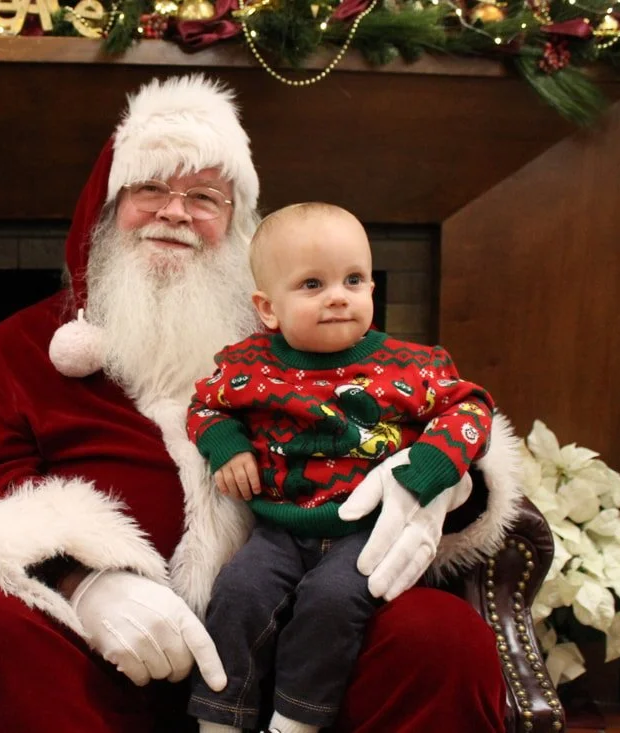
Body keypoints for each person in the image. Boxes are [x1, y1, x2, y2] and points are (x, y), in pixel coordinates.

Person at [0, 75, 521, 733]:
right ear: (107, 209)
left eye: (203, 196)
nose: (175, 211)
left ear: (237, 225)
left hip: (295, 649)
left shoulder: (301, 333)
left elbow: (437, 409)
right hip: (89, 661)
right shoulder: (31, 343)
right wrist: (83, 580)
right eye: (151, 188)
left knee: (442, 636)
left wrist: (445, 484)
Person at [185, 202, 496, 733]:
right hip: (279, 528)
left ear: (373, 290)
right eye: (312, 284)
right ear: (268, 308)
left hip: (366, 531)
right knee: (237, 594)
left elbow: (471, 408)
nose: (338, 296)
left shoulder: (410, 365)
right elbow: (205, 406)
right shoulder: (250, 364)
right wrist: (227, 445)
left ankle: (294, 722)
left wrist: (429, 468)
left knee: (330, 603)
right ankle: (221, 719)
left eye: (354, 279)